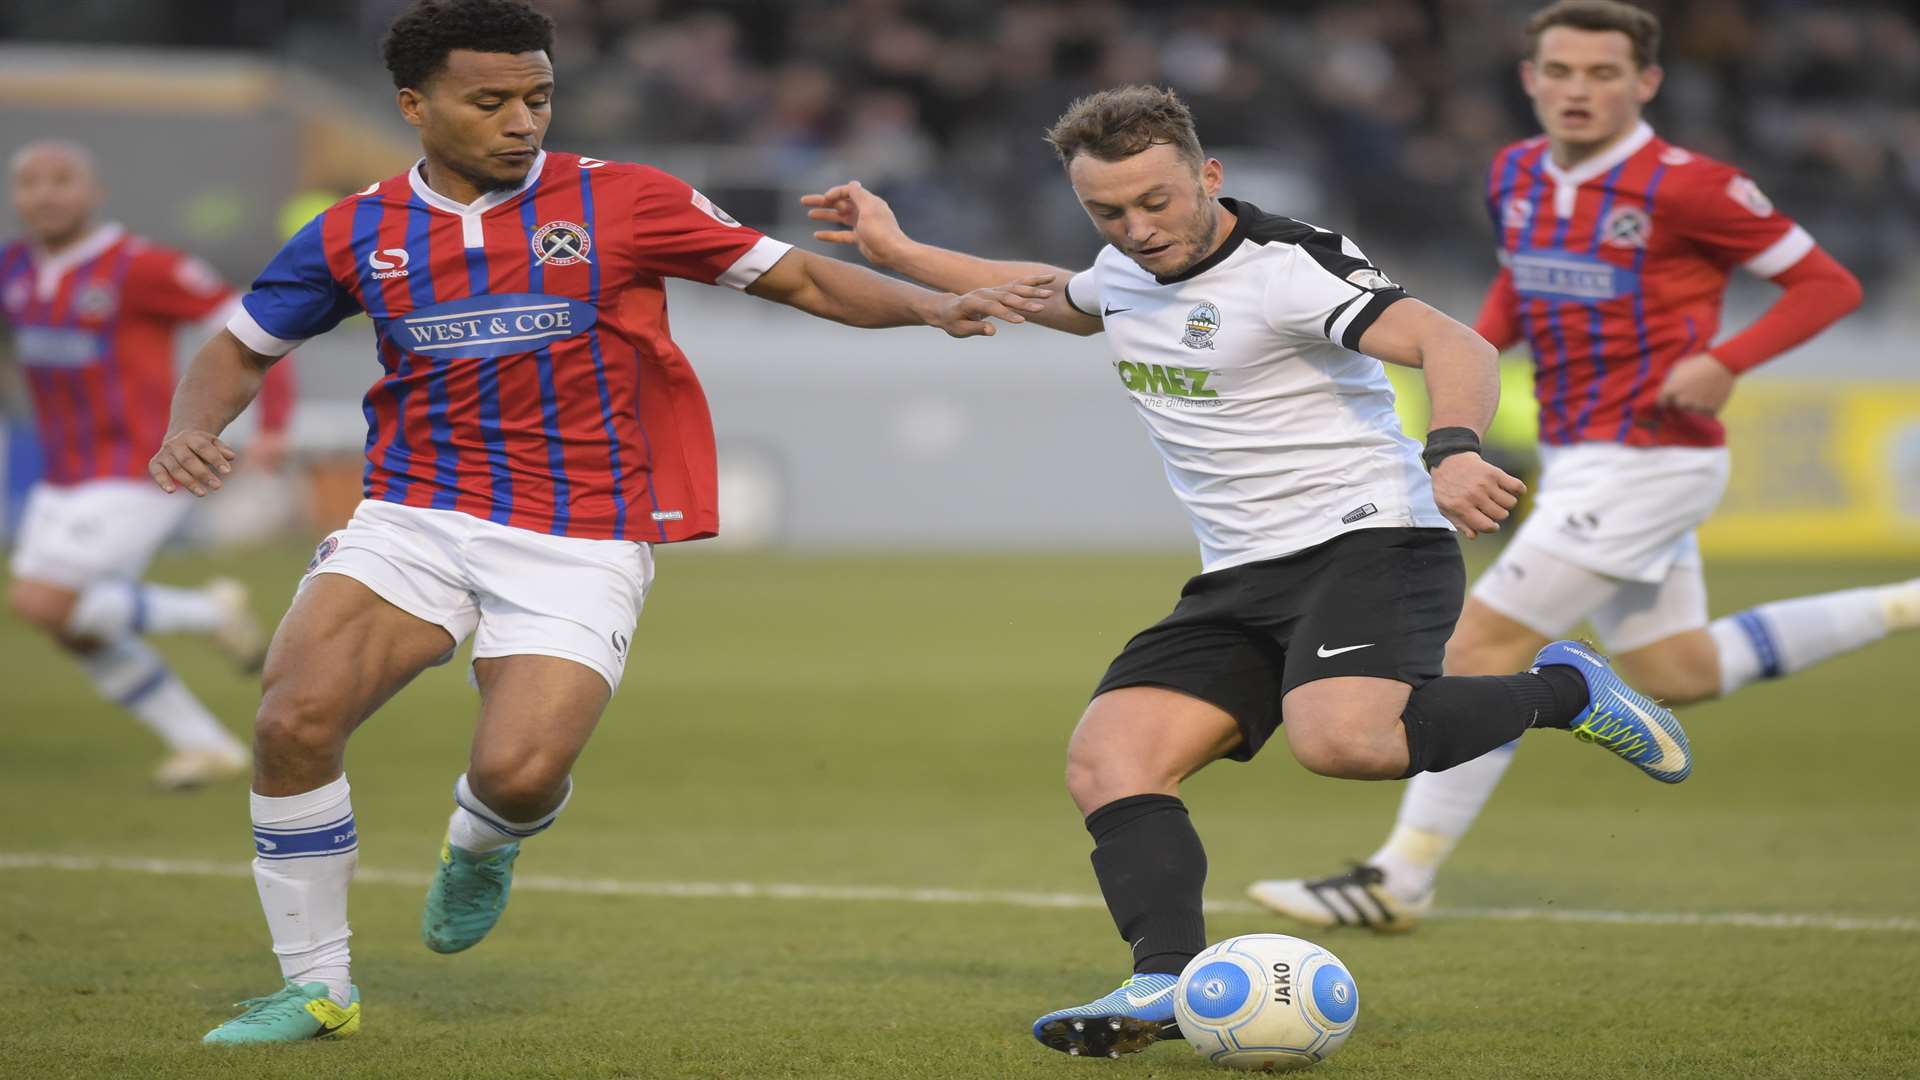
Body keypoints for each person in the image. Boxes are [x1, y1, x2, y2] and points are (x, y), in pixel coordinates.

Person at [155, 0, 1042, 1046]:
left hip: (579, 531)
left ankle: (484, 839)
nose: (520, 120)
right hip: (414, 514)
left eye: (537, 97)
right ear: (414, 105)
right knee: (291, 722)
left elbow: (794, 275)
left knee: (519, 772)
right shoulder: (356, 230)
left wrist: (925, 304)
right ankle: (315, 987)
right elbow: (239, 346)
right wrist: (190, 428)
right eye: (490, 101)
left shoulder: (621, 201)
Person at [801, 83, 1692, 1060]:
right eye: (1108, 212)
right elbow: (1053, 294)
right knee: (1110, 761)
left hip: (1371, 539)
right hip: (1238, 576)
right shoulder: (1121, 269)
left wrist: (1454, 449)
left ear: (1207, 176)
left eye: (1155, 203)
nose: (1136, 231)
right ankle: (1164, 981)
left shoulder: (1288, 265)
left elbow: (1452, 339)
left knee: (1344, 742)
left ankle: (1563, 689)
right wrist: (901, 255)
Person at [1247, 0, 1917, 935]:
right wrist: (1457, 363)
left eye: (1603, 73)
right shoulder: (1516, 173)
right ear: (1529, 80)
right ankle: (1909, 603)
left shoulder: (1693, 187)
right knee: (1677, 669)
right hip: (1582, 456)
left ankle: (1398, 878)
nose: (1578, 90)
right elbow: (1517, 292)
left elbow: (1827, 284)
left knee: (1478, 651)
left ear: (1645, 83)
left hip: (1650, 458)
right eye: (1559, 71)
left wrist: (1727, 360)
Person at [2, 139, 291, 790]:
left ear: (94, 192)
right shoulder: (14, 267)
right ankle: (205, 742)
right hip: (62, 474)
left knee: (45, 600)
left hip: (144, 465)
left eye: (61, 180)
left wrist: (271, 425)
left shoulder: (141, 267)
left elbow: (258, 330)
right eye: (29, 182)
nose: (45, 194)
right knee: (78, 626)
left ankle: (204, 615)